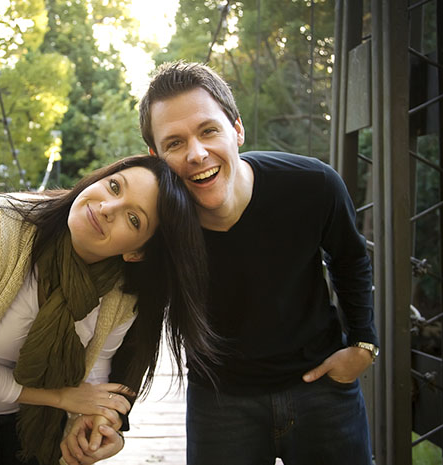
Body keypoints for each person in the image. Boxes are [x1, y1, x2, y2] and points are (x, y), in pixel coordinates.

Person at [64, 61, 380, 464]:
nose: (197, 154)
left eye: (209, 131)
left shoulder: (313, 184)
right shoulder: (155, 229)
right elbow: (137, 323)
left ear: (237, 129)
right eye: (175, 143)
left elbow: (350, 259)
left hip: (322, 389)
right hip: (220, 403)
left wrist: (363, 344)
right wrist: (113, 418)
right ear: (156, 157)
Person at [0, 154, 220, 465]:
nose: (107, 208)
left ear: (136, 253)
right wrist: (61, 397)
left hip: (35, 427)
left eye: (133, 219)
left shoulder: (121, 294)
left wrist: (96, 424)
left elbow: (94, 374)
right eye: (114, 186)